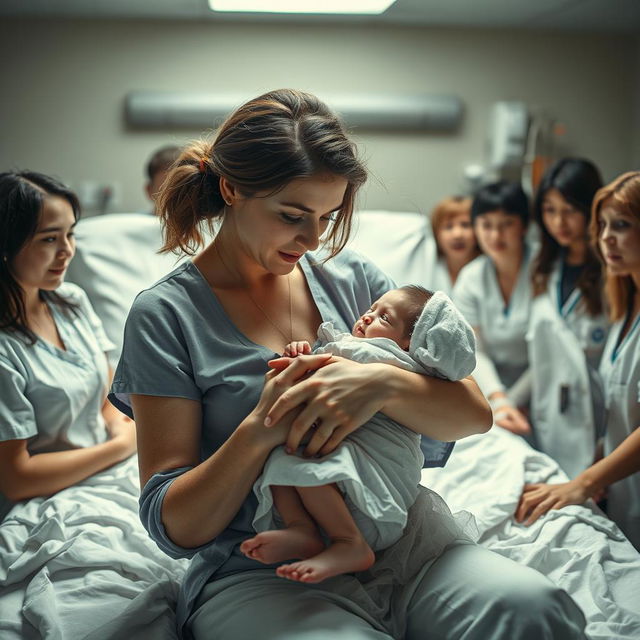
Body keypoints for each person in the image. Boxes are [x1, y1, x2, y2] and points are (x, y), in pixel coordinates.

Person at [109, 89, 585, 640]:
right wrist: (261, 429)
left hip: (404, 544)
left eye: (327, 216)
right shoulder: (166, 314)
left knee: (534, 609)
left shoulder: (354, 281)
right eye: (292, 216)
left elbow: (472, 415)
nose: (312, 239)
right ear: (231, 188)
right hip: (262, 568)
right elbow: (175, 525)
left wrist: (379, 382)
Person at [244, 285, 476, 584]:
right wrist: (302, 352)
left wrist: (301, 361)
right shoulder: (358, 347)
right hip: (349, 482)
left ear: (408, 344)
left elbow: (324, 371)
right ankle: (301, 529)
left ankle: (349, 541)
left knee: (308, 467)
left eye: (384, 318)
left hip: (375, 475)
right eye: (371, 309)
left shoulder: (386, 358)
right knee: (281, 460)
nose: (368, 317)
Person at [0, 171, 137, 521]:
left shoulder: (70, 301)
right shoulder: (5, 350)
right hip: (41, 502)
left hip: (105, 470)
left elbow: (107, 395)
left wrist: (119, 429)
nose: (67, 251)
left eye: (71, 234)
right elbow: (17, 478)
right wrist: (120, 445)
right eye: (49, 239)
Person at [517, 171, 640, 551]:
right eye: (602, 225)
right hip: (621, 483)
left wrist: (582, 482)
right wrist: (600, 466)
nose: (606, 238)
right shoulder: (625, 306)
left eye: (621, 225)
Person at [527, 158, 608, 477]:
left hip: (600, 418)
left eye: (570, 210)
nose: (559, 221)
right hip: (551, 415)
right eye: (549, 210)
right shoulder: (543, 268)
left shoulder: (610, 273)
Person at [453, 181, 534, 437]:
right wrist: (499, 400)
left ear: (523, 225)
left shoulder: (545, 270)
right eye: (486, 225)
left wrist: (511, 401)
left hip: (543, 384)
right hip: (490, 390)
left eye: (507, 224)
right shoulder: (471, 277)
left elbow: (550, 352)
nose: (496, 236)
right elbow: (475, 349)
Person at [426, 195, 480, 295]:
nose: (457, 234)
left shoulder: (489, 268)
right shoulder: (428, 267)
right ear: (436, 233)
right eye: (448, 227)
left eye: (465, 225)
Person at [145, 145, 182, 214]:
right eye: (165, 191)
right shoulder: (134, 222)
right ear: (149, 190)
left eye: (181, 189)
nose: (174, 198)